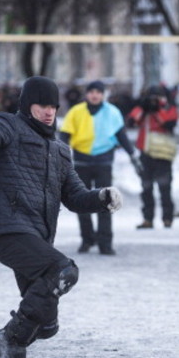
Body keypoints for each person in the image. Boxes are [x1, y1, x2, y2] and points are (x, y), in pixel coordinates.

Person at [0, 76, 123, 358]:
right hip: (7, 228)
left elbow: (75, 197)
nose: (48, 111)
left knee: (46, 325)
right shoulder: (8, 126)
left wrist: (101, 197)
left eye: (53, 106)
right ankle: (9, 342)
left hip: (37, 237)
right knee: (65, 271)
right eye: (41, 105)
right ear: (28, 105)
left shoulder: (59, 151)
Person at [59, 80, 141, 255]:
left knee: (106, 200)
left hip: (104, 161)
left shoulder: (112, 112)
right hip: (81, 161)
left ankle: (105, 242)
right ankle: (87, 239)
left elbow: (121, 136)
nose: (94, 95)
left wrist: (133, 155)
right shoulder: (76, 111)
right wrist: (60, 155)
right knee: (81, 201)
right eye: (91, 92)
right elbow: (64, 135)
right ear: (86, 94)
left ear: (103, 94)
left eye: (98, 92)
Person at [127, 85, 179, 229]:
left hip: (163, 153)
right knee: (146, 187)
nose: (154, 100)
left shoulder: (168, 108)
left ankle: (167, 218)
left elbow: (170, 124)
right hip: (146, 151)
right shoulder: (143, 108)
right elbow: (132, 121)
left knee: (165, 186)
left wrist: (157, 111)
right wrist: (144, 109)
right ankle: (148, 218)